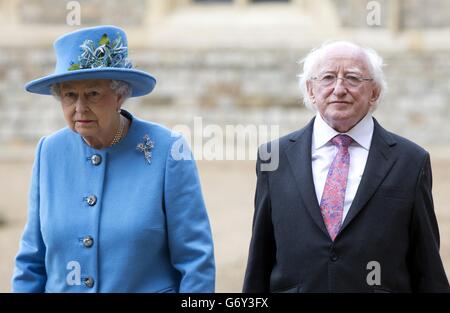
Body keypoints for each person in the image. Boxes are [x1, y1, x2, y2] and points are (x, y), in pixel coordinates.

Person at [12, 25, 215, 292]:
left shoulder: (168, 151)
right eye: (70, 95)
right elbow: (31, 262)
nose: (80, 108)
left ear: (120, 94)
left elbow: (196, 262)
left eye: (93, 94)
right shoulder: (49, 151)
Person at [243, 41, 449, 293]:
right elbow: (259, 260)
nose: (339, 89)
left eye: (352, 78)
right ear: (311, 89)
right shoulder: (273, 158)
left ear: (374, 92)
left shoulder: (410, 161)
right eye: (328, 77)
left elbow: (427, 268)